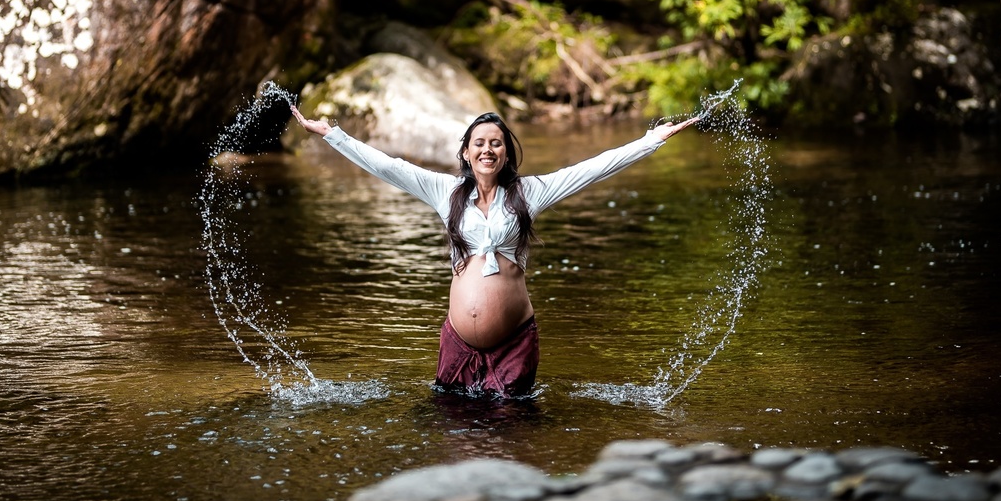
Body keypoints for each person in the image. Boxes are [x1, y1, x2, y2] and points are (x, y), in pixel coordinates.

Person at [289, 106, 698, 397]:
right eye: (479, 143)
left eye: (497, 143)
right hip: (459, 342)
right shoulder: (444, 191)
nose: (488, 149)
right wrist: (332, 135)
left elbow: (591, 169)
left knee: (511, 431)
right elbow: (388, 166)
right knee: (454, 429)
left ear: (506, 153)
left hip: (515, 340)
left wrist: (651, 140)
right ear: (466, 152)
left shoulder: (529, 192)